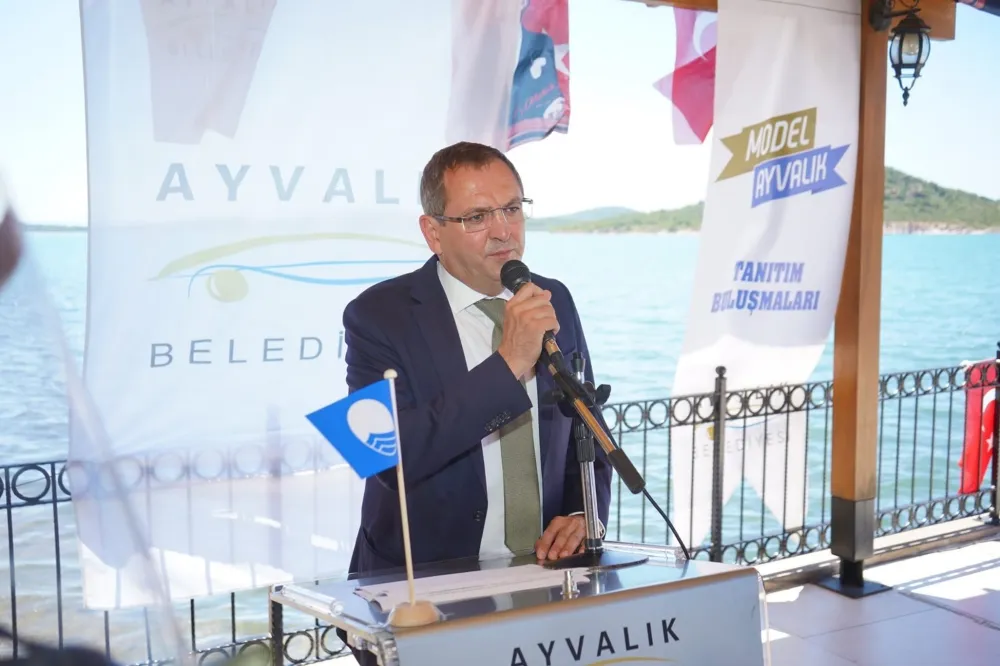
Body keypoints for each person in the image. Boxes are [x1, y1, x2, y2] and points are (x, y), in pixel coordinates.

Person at [342, 140, 613, 583]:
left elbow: (586, 424)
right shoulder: (376, 315)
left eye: (512, 209)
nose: (503, 231)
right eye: (477, 217)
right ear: (433, 232)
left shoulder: (553, 298)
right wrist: (509, 363)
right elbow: (382, 458)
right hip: (423, 583)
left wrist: (584, 512)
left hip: (546, 572)